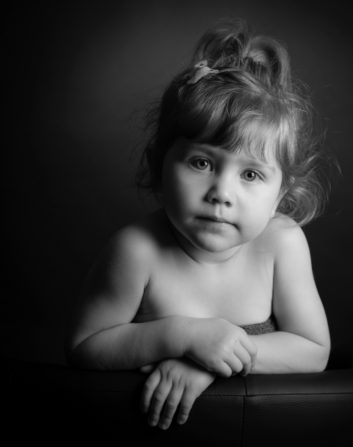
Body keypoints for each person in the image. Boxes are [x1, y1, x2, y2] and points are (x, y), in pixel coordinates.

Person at [65, 18, 331, 431]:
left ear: (281, 194)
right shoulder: (137, 250)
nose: (221, 193)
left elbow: (312, 350)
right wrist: (182, 337)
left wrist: (216, 362)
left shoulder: (281, 244)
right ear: (159, 166)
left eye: (251, 175)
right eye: (201, 163)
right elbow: (84, 346)